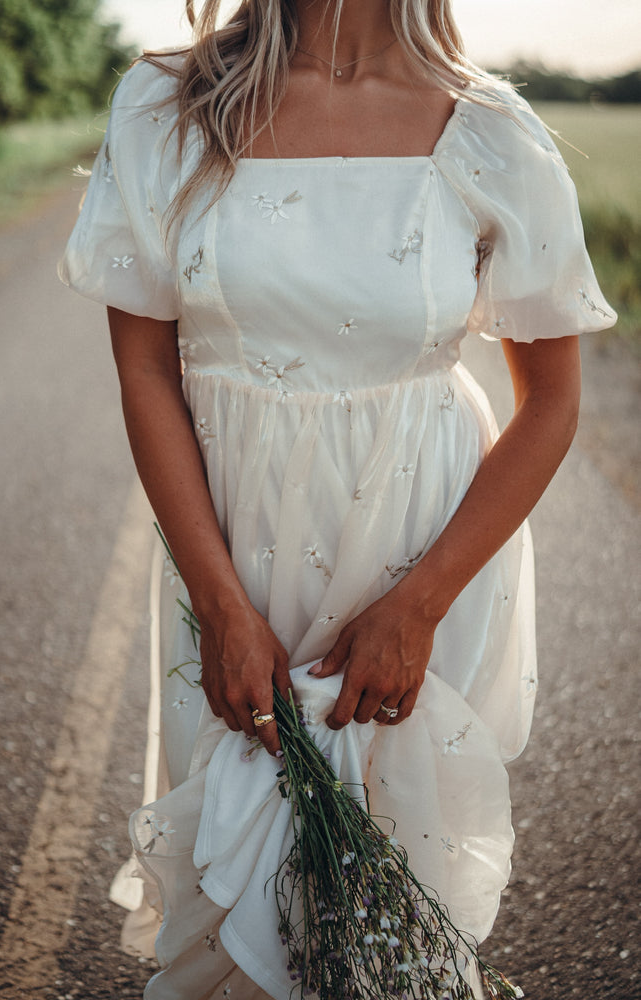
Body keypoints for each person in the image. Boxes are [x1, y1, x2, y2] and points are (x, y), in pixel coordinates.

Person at [60, 1, 615, 996]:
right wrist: (221, 603)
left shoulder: (490, 131)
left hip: (414, 567)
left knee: (387, 912)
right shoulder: (165, 107)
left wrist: (418, 606)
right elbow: (144, 368)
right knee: (236, 907)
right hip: (229, 552)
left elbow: (553, 403)